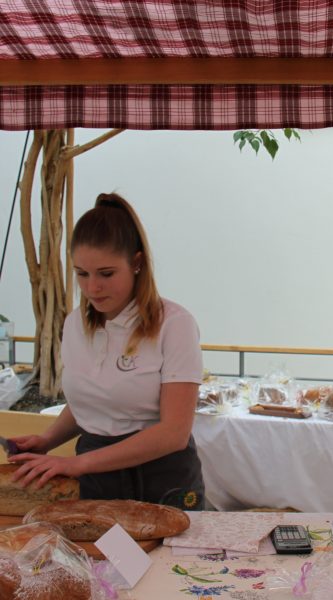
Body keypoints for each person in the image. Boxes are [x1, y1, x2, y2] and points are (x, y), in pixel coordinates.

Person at [9, 192, 205, 510]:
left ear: (137, 263)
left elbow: (174, 433)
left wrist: (78, 464)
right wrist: (47, 440)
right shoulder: (74, 325)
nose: (92, 288)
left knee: (174, 562)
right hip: (98, 480)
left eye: (106, 274)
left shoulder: (174, 324)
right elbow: (90, 402)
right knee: (99, 560)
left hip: (161, 479)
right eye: (82, 274)